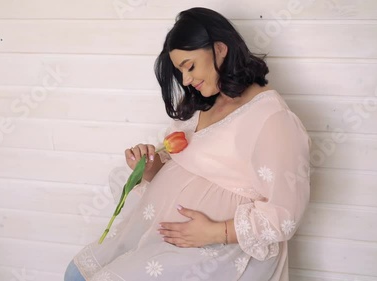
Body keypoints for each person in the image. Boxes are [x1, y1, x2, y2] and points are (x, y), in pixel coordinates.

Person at [65, 7, 311, 281]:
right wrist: (149, 169)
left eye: (190, 66)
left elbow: (285, 215)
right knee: (76, 274)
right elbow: (182, 173)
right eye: (180, 71)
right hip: (161, 233)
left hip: (216, 249)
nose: (186, 81)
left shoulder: (273, 118)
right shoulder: (201, 104)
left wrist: (216, 232)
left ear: (220, 49)